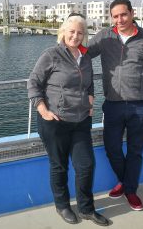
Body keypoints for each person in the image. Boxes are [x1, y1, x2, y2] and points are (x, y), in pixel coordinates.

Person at [28, 13, 109, 226]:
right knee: (59, 166)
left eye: (80, 32)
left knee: (86, 166)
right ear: (63, 32)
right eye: (71, 31)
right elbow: (33, 83)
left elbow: (89, 83)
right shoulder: (51, 54)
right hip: (55, 121)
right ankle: (62, 206)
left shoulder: (86, 56)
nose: (75, 36)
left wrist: (90, 102)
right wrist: (43, 110)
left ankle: (86, 209)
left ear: (84, 35)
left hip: (81, 120)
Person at [88, 0, 143, 211]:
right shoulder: (105, 36)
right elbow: (83, 54)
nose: (119, 19)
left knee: (135, 151)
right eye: (115, 16)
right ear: (111, 17)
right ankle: (126, 181)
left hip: (141, 107)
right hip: (113, 105)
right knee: (112, 148)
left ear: (132, 13)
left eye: (123, 14)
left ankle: (130, 191)